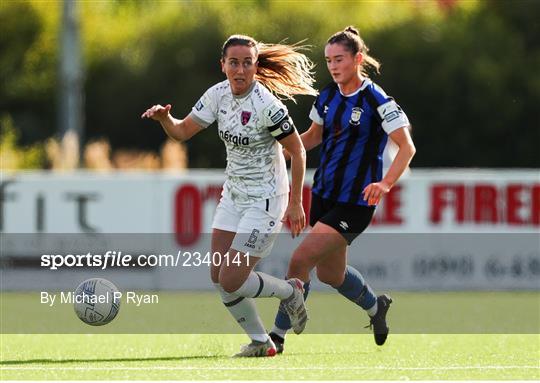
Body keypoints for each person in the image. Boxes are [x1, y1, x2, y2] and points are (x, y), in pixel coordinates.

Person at [141, 34, 318, 357]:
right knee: (218, 276)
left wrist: (294, 202)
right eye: (233, 62)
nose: (240, 70)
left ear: (255, 66)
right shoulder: (217, 95)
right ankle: (261, 342)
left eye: (247, 63)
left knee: (233, 278)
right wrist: (165, 119)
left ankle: (290, 291)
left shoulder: (267, 106)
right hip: (234, 196)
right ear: (222, 65)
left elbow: (297, 151)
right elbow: (181, 132)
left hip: (267, 199)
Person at [269, 26, 416, 353]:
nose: (333, 66)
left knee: (299, 260)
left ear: (357, 59)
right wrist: (279, 151)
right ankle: (376, 307)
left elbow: (406, 147)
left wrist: (385, 183)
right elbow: (312, 138)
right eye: (329, 60)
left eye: (340, 59)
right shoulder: (327, 96)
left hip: (355, 202)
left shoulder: (377, 99)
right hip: (323, 194)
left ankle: (275, 337)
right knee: (331, 275)